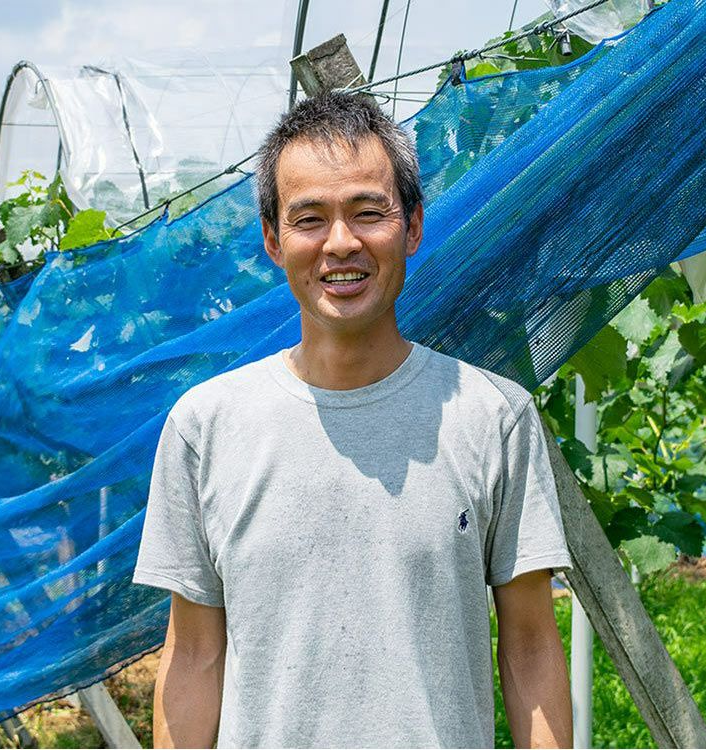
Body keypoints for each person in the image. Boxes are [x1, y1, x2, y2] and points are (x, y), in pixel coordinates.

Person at [133, 91, 573, 749]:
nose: (341, 243)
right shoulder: (206, 427)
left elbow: (531, 644)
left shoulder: (493, 418)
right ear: (274, 240)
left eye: (369, 213)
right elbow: (194, 654)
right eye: (310, 219)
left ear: (413, 227)